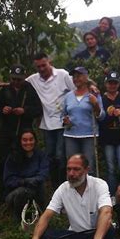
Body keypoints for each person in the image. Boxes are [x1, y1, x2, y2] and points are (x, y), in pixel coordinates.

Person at [29, 154, 114, 239]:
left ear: (87, 170)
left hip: (97, 234)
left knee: (108, 228)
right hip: (76, 236)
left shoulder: (99, 185)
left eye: (76, 169)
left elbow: (106, 212)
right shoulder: (63, 189)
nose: (71, 174)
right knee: (43, 236)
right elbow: (47, 215)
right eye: (69, 169)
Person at [0, 64, 42, 205]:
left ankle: (21, 197)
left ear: (24, 78)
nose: (16, 82)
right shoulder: (5, 91)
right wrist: (3, 110)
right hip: (6, 133)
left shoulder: (29, 90)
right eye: (14, 79)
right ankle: (0, 195)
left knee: (23, 164)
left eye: (19, 79)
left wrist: (24, 111)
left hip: (24, 133)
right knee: (3, 163)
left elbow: (38, 109)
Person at [26, 52, 75, 187]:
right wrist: (3, 84)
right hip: (46, 124)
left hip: (62, 123)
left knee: (60, 155)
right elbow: (19, 84)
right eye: (38, 67)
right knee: (50, 155)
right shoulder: (33, 79)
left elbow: (76, 89)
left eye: (44, 65)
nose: (42, 69)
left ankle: (64, 185)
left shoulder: (62, 74)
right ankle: (54, 186)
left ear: (49, 62)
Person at [62, 67, 105, 176]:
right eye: (74, 77)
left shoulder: (94, 94)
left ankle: (90, 192)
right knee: (72, 168)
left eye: (79, 76)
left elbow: (102, 116)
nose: (76, 79)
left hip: (89, 135)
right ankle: (73, 192)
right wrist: (65, 121)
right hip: (71, 135)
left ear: (86, 77)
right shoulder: (68, 96)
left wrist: (95, 104)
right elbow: (62, 114)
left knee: (89, 167)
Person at [3, 129, 49, 222]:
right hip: (16, 193)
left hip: (36, 188)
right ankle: (17, 218)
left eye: (31, 139)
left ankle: (41, 215)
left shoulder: (41, 155)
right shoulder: (12, 157)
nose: (28, 142)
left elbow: (44, 173)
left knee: (40, 185)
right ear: (20, 141)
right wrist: (24, 181)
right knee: (22, 191)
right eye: (25, 140)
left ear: (35, 140)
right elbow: (8, 180)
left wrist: (34, 180)